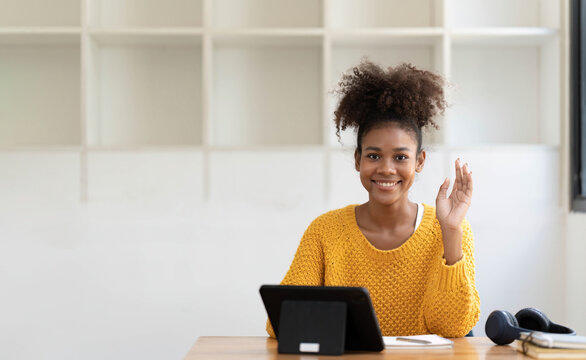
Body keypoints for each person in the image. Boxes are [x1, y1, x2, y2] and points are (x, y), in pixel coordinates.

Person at [267, 60, 480, 338]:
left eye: (401, 157)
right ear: (358, 160)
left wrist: (451, 232)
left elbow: (453, 328)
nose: (386, 169)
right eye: (374, 155)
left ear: (420, 161)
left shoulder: (452, 229)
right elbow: (280, 323)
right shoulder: (325, 232)